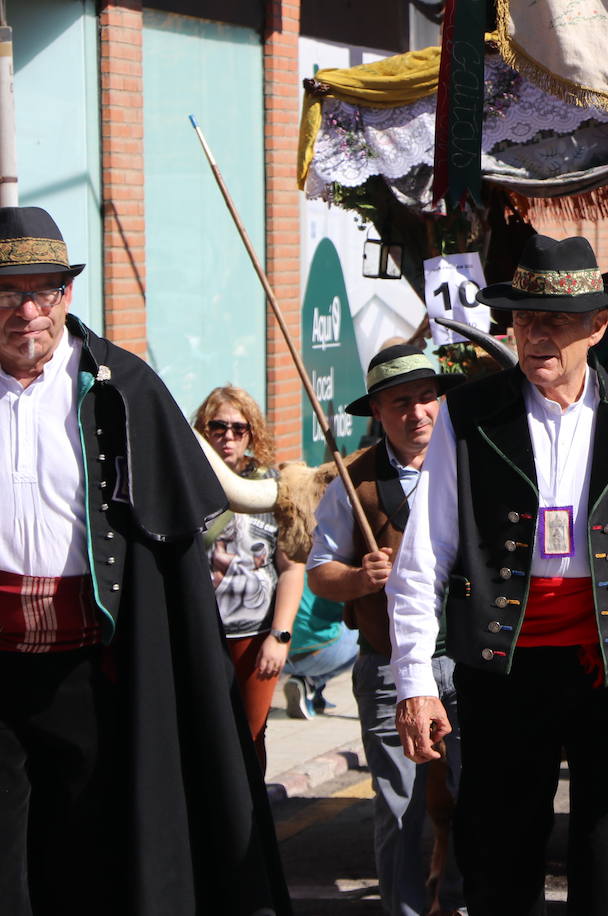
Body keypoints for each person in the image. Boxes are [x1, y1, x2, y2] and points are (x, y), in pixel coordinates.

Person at [388, 235, 608, 914]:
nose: (536, 335)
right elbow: (425, 554)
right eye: (525, 319)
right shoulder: (470, 418)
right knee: (500, 857)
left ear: (598, 327)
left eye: (556, 322)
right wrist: (416, 679)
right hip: (504, 669)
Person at [0, 206, 288, 912]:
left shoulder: (123, 389)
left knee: (90, 836)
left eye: (43, 291)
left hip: (91, 663)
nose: (26, 311)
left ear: (68, 296)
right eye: (7, 293)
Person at [307, 343, 467, 916]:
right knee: (400, 801)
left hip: (469, 660)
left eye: (428, 398)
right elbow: (319, 573)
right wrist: (357, 577)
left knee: (473, 795)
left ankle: (458, 901)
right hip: (387, 666)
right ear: (377, 410)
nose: (418, 413)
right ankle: (401, 909)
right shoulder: (352, 484)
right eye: (402, 402)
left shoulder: (468, 465)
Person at [194, 386, 305, 770]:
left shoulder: (273, 486)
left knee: (251, 736)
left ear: (252, 433)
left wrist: (280, 636)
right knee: (202, 736)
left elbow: (292, 567)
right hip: (200, 634)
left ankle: (252, 825)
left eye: (238, 429)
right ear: (204, 430)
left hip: (254, 636)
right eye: (218, 426)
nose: (228, 436)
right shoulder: (187, 481)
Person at [281, 585, 359, 718]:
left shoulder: (287, 569)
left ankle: (313, 692)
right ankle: (311, 682)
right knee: (365, 636)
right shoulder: (333, 568)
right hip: (316, 653)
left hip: (278, 655)